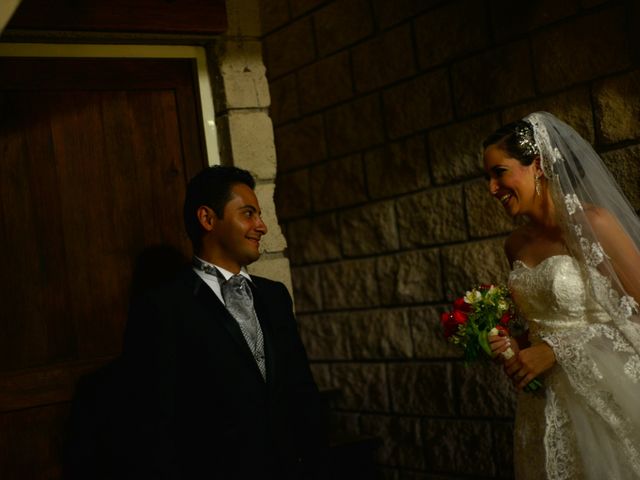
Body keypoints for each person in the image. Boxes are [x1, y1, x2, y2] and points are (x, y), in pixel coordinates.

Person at [120, 165, 328, 479]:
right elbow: (154, 422)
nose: (262, 226)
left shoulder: (275, 297)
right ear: (207, 219)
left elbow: (300, 390)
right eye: (248, 214)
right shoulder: (162, 307)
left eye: (259, 215)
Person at [483, 112, 640, 479]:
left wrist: (557, 350)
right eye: (487, 178)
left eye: (499, 172)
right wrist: (515, 346)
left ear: (536, 165)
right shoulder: (515, 245)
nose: (491, 188)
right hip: (545, 408)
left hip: (607, 400)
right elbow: (543, 325)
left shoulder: (594, 224)